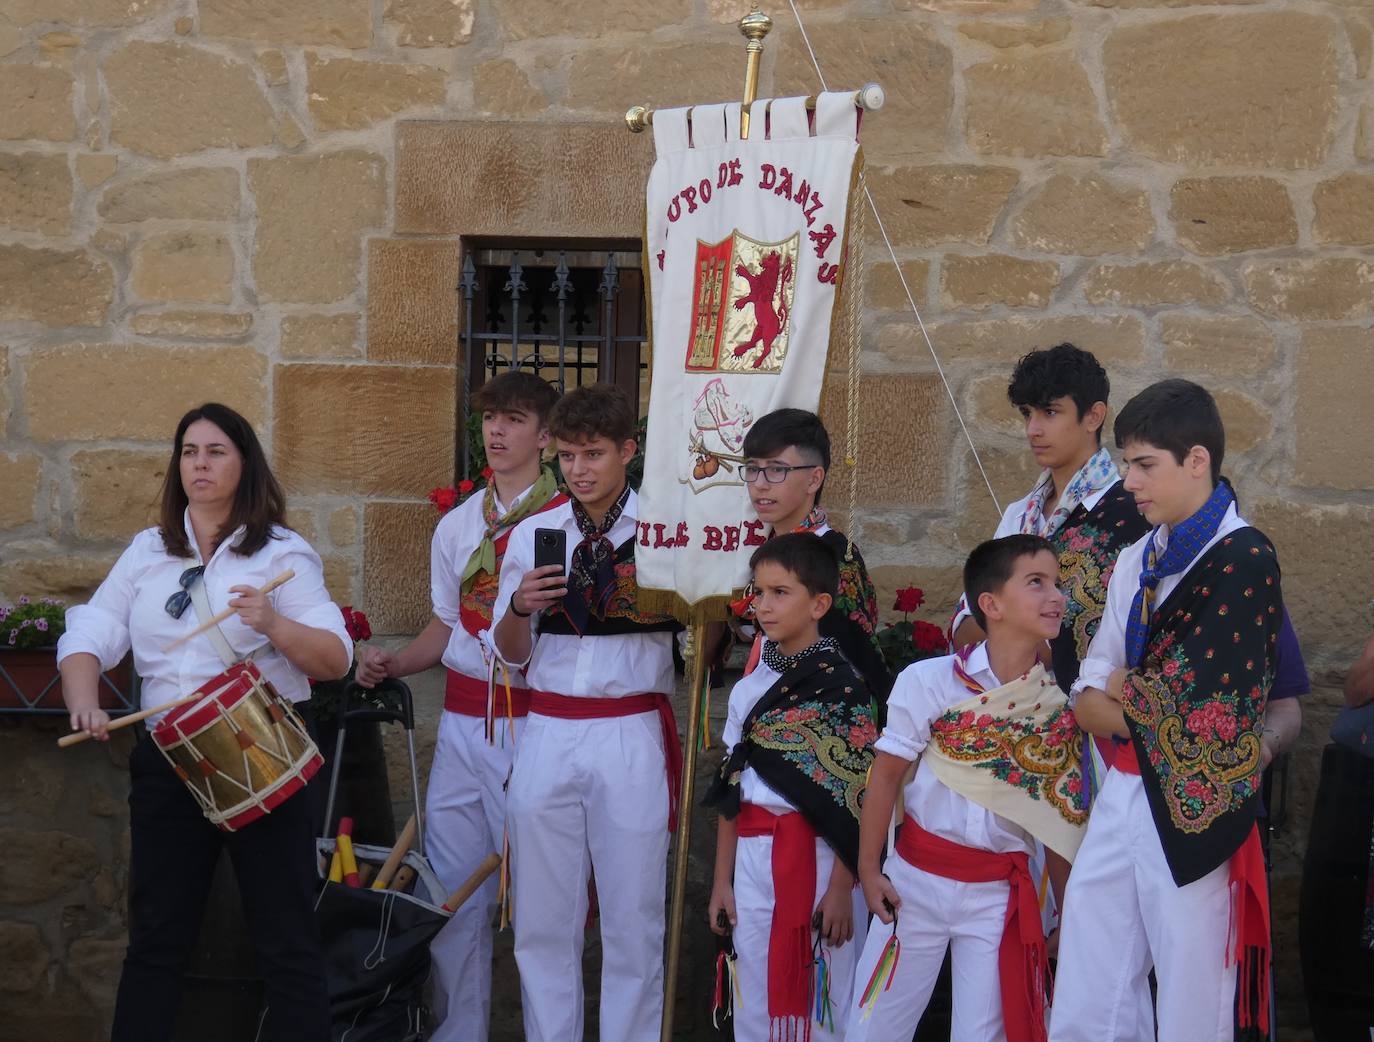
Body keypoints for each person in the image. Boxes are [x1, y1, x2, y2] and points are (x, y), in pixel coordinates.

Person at [58, 403, 352, 1042]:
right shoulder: (147, 550)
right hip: (168, 760)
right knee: (157, 938)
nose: (200, 464)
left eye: (216, 451)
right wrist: (85, 696)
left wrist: (273, 622)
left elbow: (333, 659)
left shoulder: (283, 553)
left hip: (262, 752)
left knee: (286, 939)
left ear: (244, 463)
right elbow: (94, 628)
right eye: (190, 451)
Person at [1050, 379, 1282, 1042]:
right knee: (1092, 983)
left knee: (1193, 990)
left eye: (1145, 464)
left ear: (1198, 460)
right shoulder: (1136, 556)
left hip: (1189, 803)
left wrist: (1121, 691)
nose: (1129, 482)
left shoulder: (1244, 558)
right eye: (1126, 463)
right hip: (1122, 788)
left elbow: (1205, 708)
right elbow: (1092, 683)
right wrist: (1127, 691)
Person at [354, 371, 563, 1042]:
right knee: (448, 895)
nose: (497, 431)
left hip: (535, 723)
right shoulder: (456, 525)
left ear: (547, 437)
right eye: (490, 418)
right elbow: (446, 627)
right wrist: (395, 662)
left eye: (515, 419)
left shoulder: (562, 522)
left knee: (537, 904)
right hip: (462, 724)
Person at [491, 383, 681, 1042]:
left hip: (630, 727)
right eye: (567, 456)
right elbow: (510, 656)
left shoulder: (668, 533)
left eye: (593, 454)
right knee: (544, 920)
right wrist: (519, 607)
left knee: (634, 918)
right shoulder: (535, 533)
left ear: (628, 450)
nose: (578, 469)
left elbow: (704, 641)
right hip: (547, 727)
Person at [848, 534, 1083, 1042]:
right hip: (912, 884)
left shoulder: (1057, 706)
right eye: (1037, 583)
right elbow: (884, 778)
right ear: (991, 604)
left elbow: (1058, 820)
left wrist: (1068, 916)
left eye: (1058, 583)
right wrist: (869, 870)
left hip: (999, 897)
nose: (1056, 596)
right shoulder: (929, 681)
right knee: (873, 1028)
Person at [704, 533, 878, 1042]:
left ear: (819, 603)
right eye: (758, 593)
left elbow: (859, 794)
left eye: (781, 593)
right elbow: (730, 787)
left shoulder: (844, 686)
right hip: (754, 863)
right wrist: (722, 881)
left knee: (824, 998)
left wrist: (844, 887)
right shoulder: (747, 688)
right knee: (754, 999)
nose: (764, 605)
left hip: (823, 860)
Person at [737, 408, 892, 701]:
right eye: (752, 468)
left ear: (813, 479)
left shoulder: (834, 558)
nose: (759, 483)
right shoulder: (761, 549)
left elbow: (857, 659)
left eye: (776, 469)